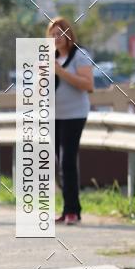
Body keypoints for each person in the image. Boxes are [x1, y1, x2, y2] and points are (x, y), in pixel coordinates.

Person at [47, 17, 93, 224]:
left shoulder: (79, 56)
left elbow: (87, 85)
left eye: (60, 34)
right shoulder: (48, 57)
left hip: (74, 114)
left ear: (68, 34)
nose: (56, 38)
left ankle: (73, 210)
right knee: (58, 163)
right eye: (52, 34)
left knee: (67, 161)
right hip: (54, 116)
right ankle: (67, 209)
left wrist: (60, 71)